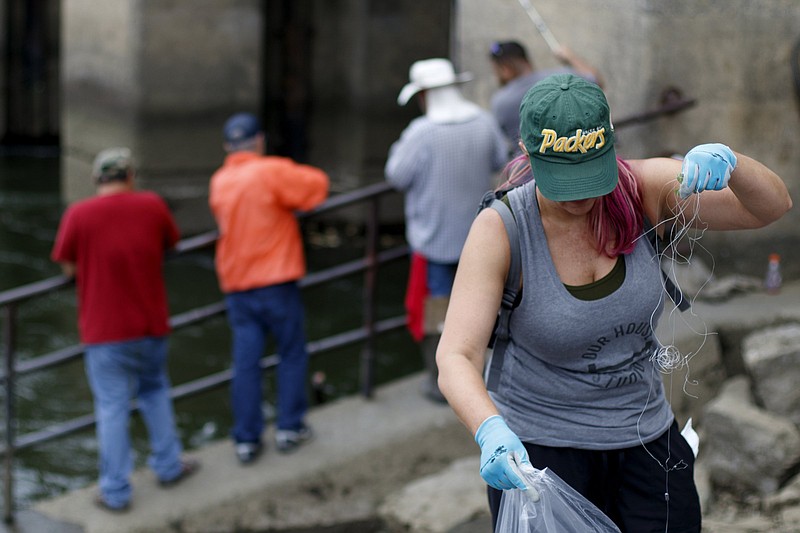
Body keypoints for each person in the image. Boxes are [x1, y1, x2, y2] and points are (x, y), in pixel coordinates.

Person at [436, 73, 792, 532]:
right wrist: (491, 432)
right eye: (565, 181)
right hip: (541, 447)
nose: (582, 196)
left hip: (644, 434)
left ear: (610, 148)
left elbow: (772, 206)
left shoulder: (645, 190)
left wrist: (731, 161)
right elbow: (456, 354)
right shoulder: (501, 229)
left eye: (591, 175)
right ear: (527, 154)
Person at [51, 148, 200, 513]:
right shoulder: (151, 205)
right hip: (150, 324)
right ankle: (168, 467)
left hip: (106, 330)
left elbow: (67, 266)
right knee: (155, 391)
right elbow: (171, 243)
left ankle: (116, 492)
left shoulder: (79, 214)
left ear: (96, 180)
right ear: (130, 176)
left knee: (112, 407)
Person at [385, 58, 508, 403]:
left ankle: (443, 381)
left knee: (440, 311)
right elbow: (501, 158)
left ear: (423, 95)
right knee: (485, 304)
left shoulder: (421, 133)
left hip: (435, 238)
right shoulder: (483, 122)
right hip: (480, 233)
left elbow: (396, 175)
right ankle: (487, 374)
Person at [209, 112, 329, 464]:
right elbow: (317, 186)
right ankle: (289, 428)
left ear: (226, 147)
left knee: (246, 362)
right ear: (259, 141)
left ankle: (246, 439)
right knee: (291, 353)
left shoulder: (219, 181)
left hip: (237, 285)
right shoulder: (269, 171)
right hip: (276, 282)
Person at [489, 40, 604, 149]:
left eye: (496, 71)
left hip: (529, 167)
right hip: (575, 157)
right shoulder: (564, 78)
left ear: (505, 69)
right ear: (525, 60)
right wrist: (570, 58)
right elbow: (596, 83)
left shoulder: (500, 102)